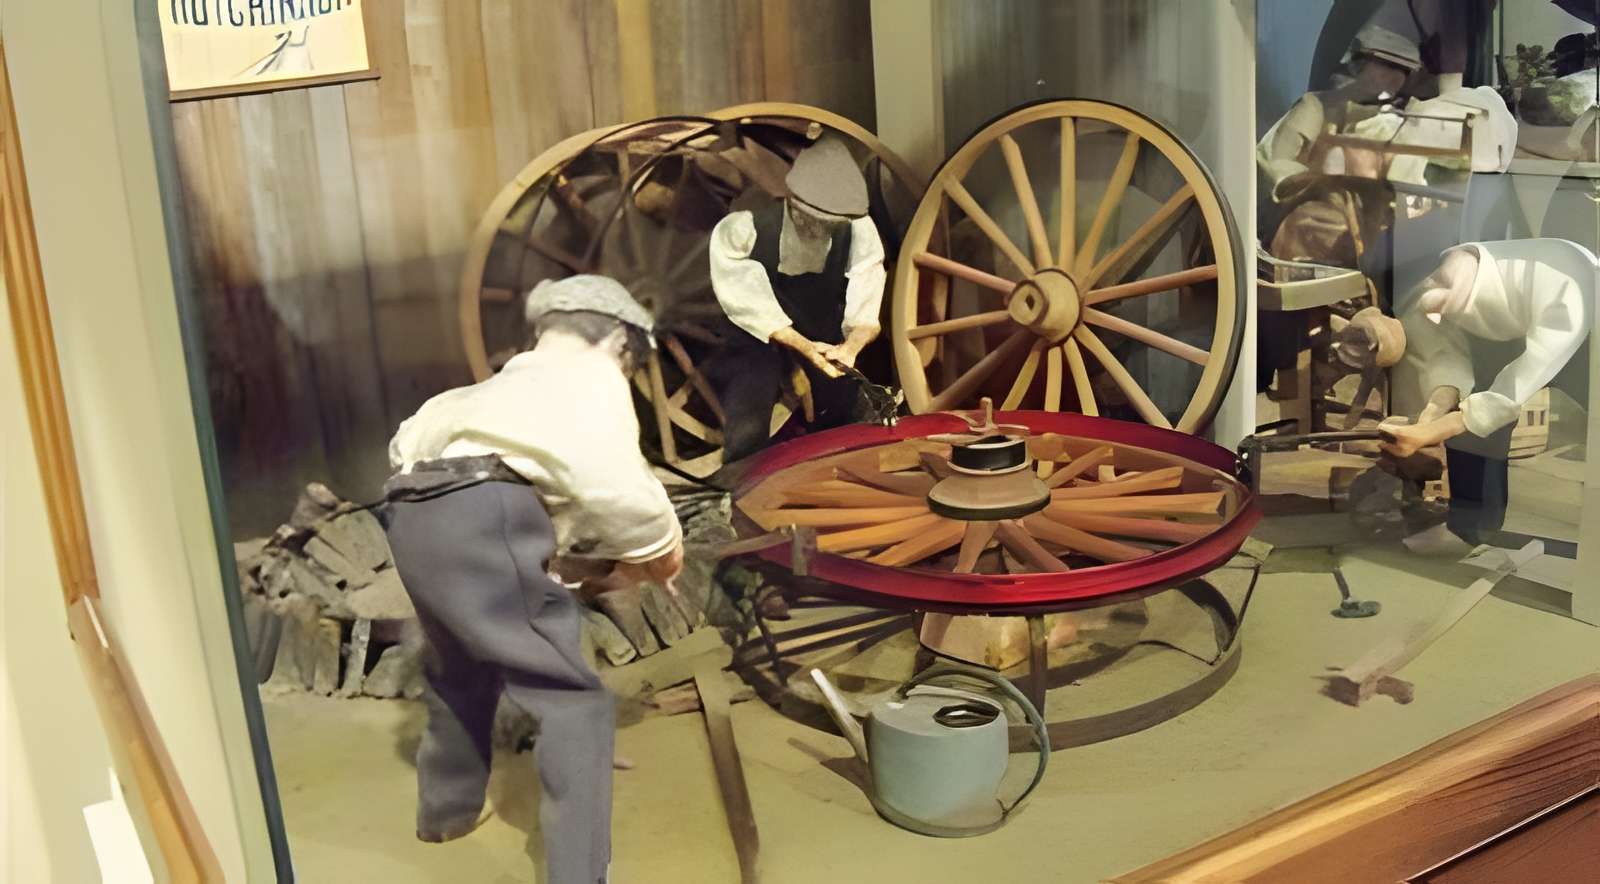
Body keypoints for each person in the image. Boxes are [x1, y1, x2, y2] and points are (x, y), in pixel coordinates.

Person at [382, 274, 683, 884]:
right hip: (483, 513)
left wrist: (544, 550)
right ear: (619, 343)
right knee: (574, 703)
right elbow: (614, 483)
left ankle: (446, 811)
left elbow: (411, 449)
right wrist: (660, 549)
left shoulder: (489, 390)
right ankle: (579, 873)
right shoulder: (590, 380)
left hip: (408, 512)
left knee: (458, 668)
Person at [1377, 239, 1597, 543]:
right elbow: (1442, 351)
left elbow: (1512, 390)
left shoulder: (1570, 294)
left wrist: (1430, 433)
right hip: (1507, 316)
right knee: (1473, 426)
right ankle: (1471, 530)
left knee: (1488, 411)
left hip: (1587, 338)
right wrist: (1435, 409)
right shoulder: (1440, 282)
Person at [707, 135, 887, 461]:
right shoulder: (746, 226)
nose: (820, 230)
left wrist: (849, 349)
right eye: (813, 219)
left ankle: (834, 475)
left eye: (830, 224)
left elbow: (867, 293)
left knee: (843, 397)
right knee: (750, 402)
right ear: (791, 200)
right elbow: (744, 296)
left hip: (817, 321)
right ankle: (741, 487)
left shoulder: (858, 228)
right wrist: (803, 347)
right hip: (753, 328)